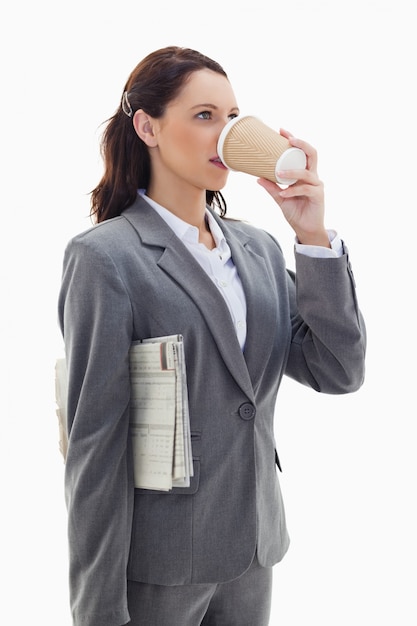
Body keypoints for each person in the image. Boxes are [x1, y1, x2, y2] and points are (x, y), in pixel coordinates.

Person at [58, 46, 366, 626]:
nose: (225, 134)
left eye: (231, 117)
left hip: (254, 551)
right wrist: (98, 612)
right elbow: (95, 445)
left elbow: (338, 370)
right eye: (204, 116)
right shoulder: (106, 258)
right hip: (159, 567)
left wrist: (312, 235)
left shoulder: (259, 250)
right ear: (147, 127)